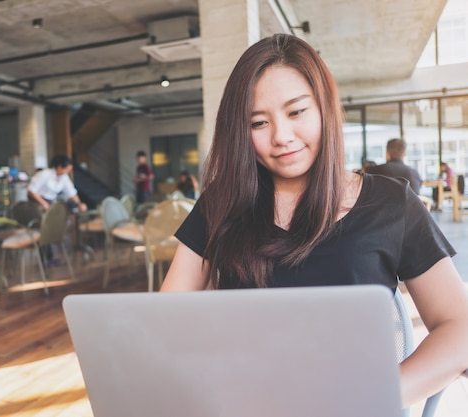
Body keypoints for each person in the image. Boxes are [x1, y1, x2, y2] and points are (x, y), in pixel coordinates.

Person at [160, 34, 468, 408]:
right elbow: (165, 323)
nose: (282, 137)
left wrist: (381, 395)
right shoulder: (221, 203)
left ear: (325, 108)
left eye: (297, 112)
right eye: (258, 122)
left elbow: (459, 326)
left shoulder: (391, 204)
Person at [27, 155, 87, 265]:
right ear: (59, 167)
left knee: (52, 228)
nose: (67, 172)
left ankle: (50, 257)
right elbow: (31, 191)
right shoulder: (45, 175)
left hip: (50, 204)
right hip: (37, 204)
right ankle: (45, 259)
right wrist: (43, 203)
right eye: (66, 169)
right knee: (44, 229)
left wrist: (79, 204)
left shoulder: (64, 178)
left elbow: (71, 192)